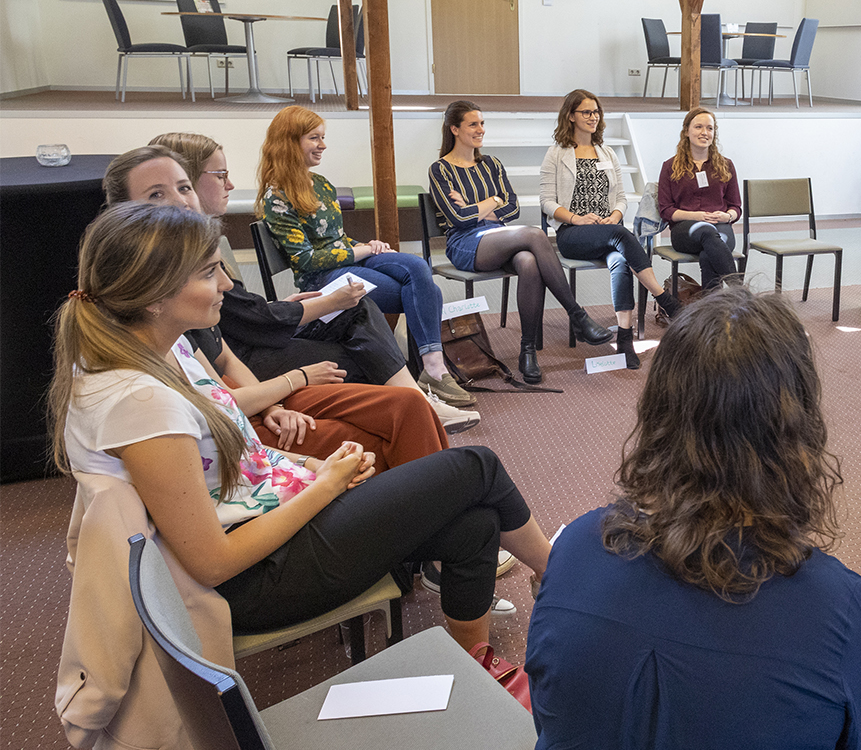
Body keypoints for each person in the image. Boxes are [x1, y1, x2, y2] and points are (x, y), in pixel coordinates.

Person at [49, 203, 554, 654]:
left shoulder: (167, 350)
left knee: (476, 525)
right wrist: (325, 486)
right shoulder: (140, 401)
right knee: (475, 466)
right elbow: (213, 563)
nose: (226, 284)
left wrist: (310, 466)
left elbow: (237, 454)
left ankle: (478, 663)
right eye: (210, 273)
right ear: (154, 295)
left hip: (270, 519)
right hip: (253, 581)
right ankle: (553, 573)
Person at [525, 286, 861, 750]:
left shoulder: (574, 550)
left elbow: (558, 730)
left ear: (657, 411)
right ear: (796, 427)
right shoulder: (837, 608)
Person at [104, 143, 476, 433]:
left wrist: (360, 248)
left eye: (183, 187)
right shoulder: (265, 206)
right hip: (298, 300)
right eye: (157, 194)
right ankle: (418, 398)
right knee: (364, 343)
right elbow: (296, 272)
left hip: (292, 305)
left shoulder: (322, 187)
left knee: (410, 274)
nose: (182, 199)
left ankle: (432, 371)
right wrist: (350, 260)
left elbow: (236, 317)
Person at [254, 106, 472, 407]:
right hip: (321, 278)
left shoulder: (321, 184)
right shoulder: (276, 197)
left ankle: (431, 369)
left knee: (417, 266)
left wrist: (366, 245)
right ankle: (432, 370)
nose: (323, 145)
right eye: (314, 138)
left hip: (346, 259)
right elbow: (305, 260)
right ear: (290, 142)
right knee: (427, 292)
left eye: (323, 137)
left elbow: (336, 239)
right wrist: (361, 251)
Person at [427, 100, 613, 384]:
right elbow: (459, 219)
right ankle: (577, 316)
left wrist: (479, 208)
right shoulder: (441, 170)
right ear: (454, 129)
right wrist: (492, 201)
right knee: (535, 234)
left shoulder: (491, 164)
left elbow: (512, 208)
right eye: (473, 124)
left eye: (482, 123)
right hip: (464, 244)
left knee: (528, 261)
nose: (481, 130)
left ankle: (528, 352)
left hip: (498, 238)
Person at [539, 89, 682, 368]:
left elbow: (620, 197)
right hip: (573, 233)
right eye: (587, 112)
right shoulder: (556, 154)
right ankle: (664, 298)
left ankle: (625, 341)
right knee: (622, 235)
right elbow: (546, 202)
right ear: (571, 116)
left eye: (596, 112)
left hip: (608, 231)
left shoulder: (607, 152)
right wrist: (576, 218)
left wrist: (615, 214)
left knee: (620, 260)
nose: (593, 117)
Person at [657, 107, 742, 292]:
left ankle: (711, 313)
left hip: (721, 227)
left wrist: (726, 216)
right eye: (698, 127)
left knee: (708, 255)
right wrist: (696, 216)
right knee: (707, 232)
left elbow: (736, 206)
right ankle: (742, 293)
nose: (704, 132)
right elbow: (666, 210)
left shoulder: (726, 165)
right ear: (686, 131)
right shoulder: (669, 166)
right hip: (686, 230)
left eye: (710, 128)